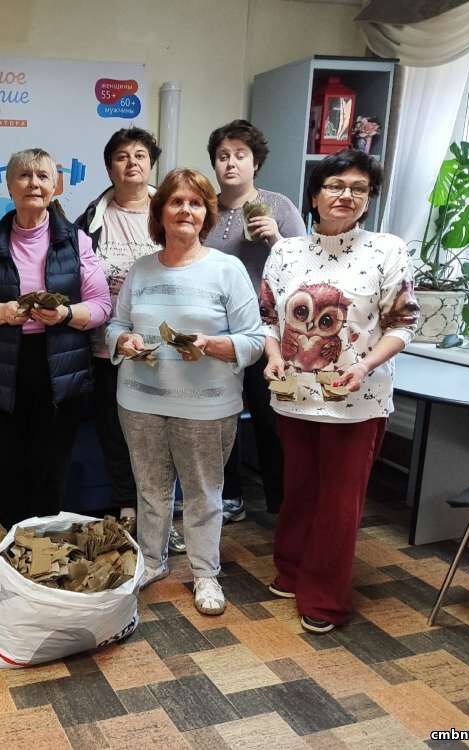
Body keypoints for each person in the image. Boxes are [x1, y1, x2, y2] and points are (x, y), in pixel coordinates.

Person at [260, 149, 419, 634]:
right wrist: (272, 355)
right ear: (314, 195)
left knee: (339, 502)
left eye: (358, 188)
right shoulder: (286, 252)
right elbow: (266, 317)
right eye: (335, 186)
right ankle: (291, 569)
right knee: (299, 489)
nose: (346, 195)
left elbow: (403, 323)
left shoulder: (387, 250)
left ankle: (324, 597)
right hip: (294, 395)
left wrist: (366, 365)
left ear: (369, 199)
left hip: (358, 399)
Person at [107, 168, 264, 615]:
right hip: (139, 401)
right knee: (150, 489)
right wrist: (123, 340)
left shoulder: (227, 269)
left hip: (207, 407)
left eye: (195, 203)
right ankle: (153, 561)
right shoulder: (141, 269)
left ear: (206, 214)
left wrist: (211, 345)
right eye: (176, 202)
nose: (185, 210)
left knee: (203, 492)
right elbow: (116, 324)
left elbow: (255, 339)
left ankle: (205, 573)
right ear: (160, 213)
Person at [0, 149, 111, 529]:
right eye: (24, 176)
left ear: (55, 186)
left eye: (43, 176)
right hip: (2, 370)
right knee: (8, 467)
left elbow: (101, 305)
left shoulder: (77, 241)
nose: (34, 184)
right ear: (9, 186)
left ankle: (45, 550)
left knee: (51, 468)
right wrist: (2, 313)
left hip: (60, 368)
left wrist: (65, 314)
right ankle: (14, 548)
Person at [74, 128, 173, 542]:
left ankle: (164, 519)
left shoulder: (172, 211)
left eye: (140, 155)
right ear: (109, 167)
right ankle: (127, 510)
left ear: (151, 164)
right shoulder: (89, 221)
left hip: (164, 349)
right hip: (107, 348)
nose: (132, 162)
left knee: (163, 438)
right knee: (115, 435)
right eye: (121, 156)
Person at [205, 119, 304, 521]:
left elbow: (306, 272)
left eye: (240, 155)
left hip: (267, 333)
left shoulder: (279, 206)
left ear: (256, 162)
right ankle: (230, 497)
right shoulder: (204, 206)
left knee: (270, 417)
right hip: (217, 332)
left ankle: (282, 504)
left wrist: (276, 239)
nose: (230, 163)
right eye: (222, 156)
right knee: (219, 418)